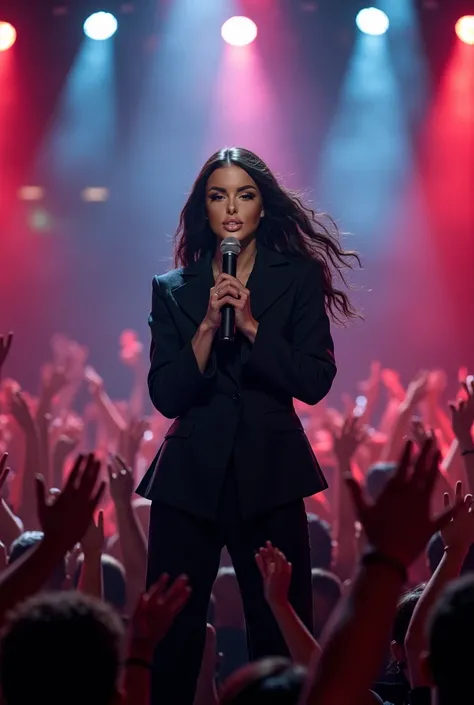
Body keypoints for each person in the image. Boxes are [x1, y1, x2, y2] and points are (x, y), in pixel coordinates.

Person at [136, 146, 359, 704]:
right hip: (188, 480)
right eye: (218, 195)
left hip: (271, 475)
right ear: (203, 209)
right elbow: (166, 394)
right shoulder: (173, 288)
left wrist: (255, 327)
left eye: (244, 193)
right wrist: (209, 327)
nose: (231, 207)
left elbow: (314, 379)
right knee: (173, 636)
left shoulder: (300, 278)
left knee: (278, 627)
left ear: (263, 206)